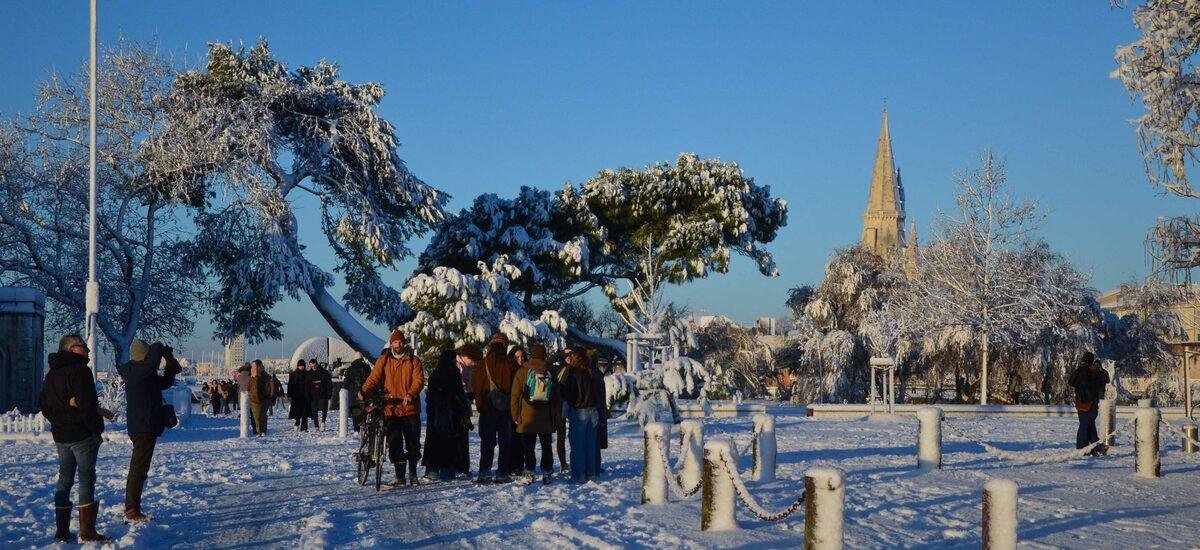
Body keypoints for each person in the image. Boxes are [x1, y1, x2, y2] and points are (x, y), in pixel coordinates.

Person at [41, 334, 115, 543]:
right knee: (86, 479)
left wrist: (60, 419)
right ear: (72, 348)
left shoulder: (52, 374)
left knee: (64, 480)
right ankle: (87, 531)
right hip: (82, 435)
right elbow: (87, 405)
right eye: (84, 346)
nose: (88, 350)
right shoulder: (80, 371)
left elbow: (45, 406)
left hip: (61, 435)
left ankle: (62, 532)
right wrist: (96, 429)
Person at [117, 339, 181, 523]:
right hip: (143, 426)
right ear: (144, 357)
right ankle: (132, 510)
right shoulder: (136, 372)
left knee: (140, 468)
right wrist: (158, 346)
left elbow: (166, 382)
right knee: (138, 469)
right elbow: (152, 363)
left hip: (146, 425)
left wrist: (169, 361)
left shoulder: (142, 374)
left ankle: (132, 507)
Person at [361, 330, 425, 486]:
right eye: (395, 342)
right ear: (391, 344)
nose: (398, 344)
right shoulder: (384, 360)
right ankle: (400, 476)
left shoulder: (413, 360)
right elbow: (374, 378)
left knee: (413, 444)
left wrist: (410, 394)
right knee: (395, 444)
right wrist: (363, 391)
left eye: (400, 342)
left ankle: (413, 474)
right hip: (391, 409)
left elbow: (418, 380)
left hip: (409, 409)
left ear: (404, 343)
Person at [422, 346, 479, 480]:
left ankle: (432, 471)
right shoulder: (453, 374)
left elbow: (430, 397)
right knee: (449, 444)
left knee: (433, 444)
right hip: (450, 415)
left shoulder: (435, 374)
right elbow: (458, 394)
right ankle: (447, 471)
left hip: (435, 416)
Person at [510, 344, 562, 484]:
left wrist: (515, 415)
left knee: (528, 446)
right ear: (544, 355)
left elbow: (515, 395)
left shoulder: (523, 371)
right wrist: (556, 416)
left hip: (527, 417)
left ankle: (530, 471)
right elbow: (556, 396)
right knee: (546, 446)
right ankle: (547, 471)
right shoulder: (550, 371)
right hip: (546, 417)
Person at [471, 333, 517, 484]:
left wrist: (480, 406)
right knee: (505, 441)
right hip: (505, 409)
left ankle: (484, 471)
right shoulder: (510, 364)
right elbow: (516, 388)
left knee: (487, 441)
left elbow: (476, 387)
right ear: (504, 345)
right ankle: (502, 472)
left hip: (487, 409)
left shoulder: (481, 364)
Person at [561, 346, 601, 482]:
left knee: (578, 445)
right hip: (593, 410)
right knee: (591, 444)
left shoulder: (573, 371)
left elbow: (569, 393)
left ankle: (579, 475)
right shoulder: (592, 371)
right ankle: (591, 473)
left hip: (579, 410)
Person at [1068, 352, 1111, 454]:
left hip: (1081, 403)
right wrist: (1099, 369)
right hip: (1090, 403)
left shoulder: (1080, 370)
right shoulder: (1090, 371)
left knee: (1089, 425)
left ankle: (1096, 447)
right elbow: (1105, 380)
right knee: (1085, 426)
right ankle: (1082, 449)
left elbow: (1071, 382)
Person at [507, 345, 528, 475]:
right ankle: (512, 465)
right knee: (512, 437)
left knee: (521, 439)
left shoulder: (527, 370)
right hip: (511, 408)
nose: (520, 359)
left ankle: (519, 465)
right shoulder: (509, 370)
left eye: (522, 356)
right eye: (517, 357)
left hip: (524, 408)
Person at [342, 353, 373, 433]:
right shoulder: (367, 367)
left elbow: (346, 384)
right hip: (366, 394)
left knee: (355, 414)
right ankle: (364, 429)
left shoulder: (350, 369)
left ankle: (356, 430)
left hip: (354, 396)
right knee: (365, 413)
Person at [549, 355, 569, 475]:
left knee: (551, 439)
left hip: (552, 407)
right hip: (559, 407)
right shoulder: (564, 370)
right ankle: (562, 463)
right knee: (560, 438)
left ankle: (554, 464)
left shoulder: (554, 369)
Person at [589, 353, 609, 474]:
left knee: (592, 439)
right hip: (598, 408)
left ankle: (593, 465)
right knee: (595, 439)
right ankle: (595, 465)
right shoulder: (597, 374)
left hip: (593, 408)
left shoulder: (590, 373)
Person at [247, 360, 274, 436]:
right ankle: (258, 431)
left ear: (259, 367)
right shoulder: (251, 376)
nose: (253, 368)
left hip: (264, 399)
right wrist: (253, 378)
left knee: (262, 415)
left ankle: (263, 431)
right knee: (256, 417)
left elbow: (268, 388)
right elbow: (249, 388)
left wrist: (266, 396)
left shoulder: (265, 376)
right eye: (252, 366)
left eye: (254, 366)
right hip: (254, 400)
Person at [288, 360, 313, 431]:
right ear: (298, 366)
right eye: (300, 366)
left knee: (305, 412)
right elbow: (290, 385)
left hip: (305, 396)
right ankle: (297, 422)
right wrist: (290, 394)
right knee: (297, 412)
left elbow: (310, 385)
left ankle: (304, 427)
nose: (301, 367)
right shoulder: (293, 374)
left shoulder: (307, 374)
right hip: (296, 396)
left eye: (303, 366)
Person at [312, 359, 333, 429]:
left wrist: (329, 393)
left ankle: (323, 422)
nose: (313, 367)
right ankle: (316, 425)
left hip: (323, 394)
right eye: (312, 366)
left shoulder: (324, 372)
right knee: (314, 410)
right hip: (314, 394)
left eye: (314, 366)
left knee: (324, 409)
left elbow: (329, 384)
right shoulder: (310, 373)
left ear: (317, 364)